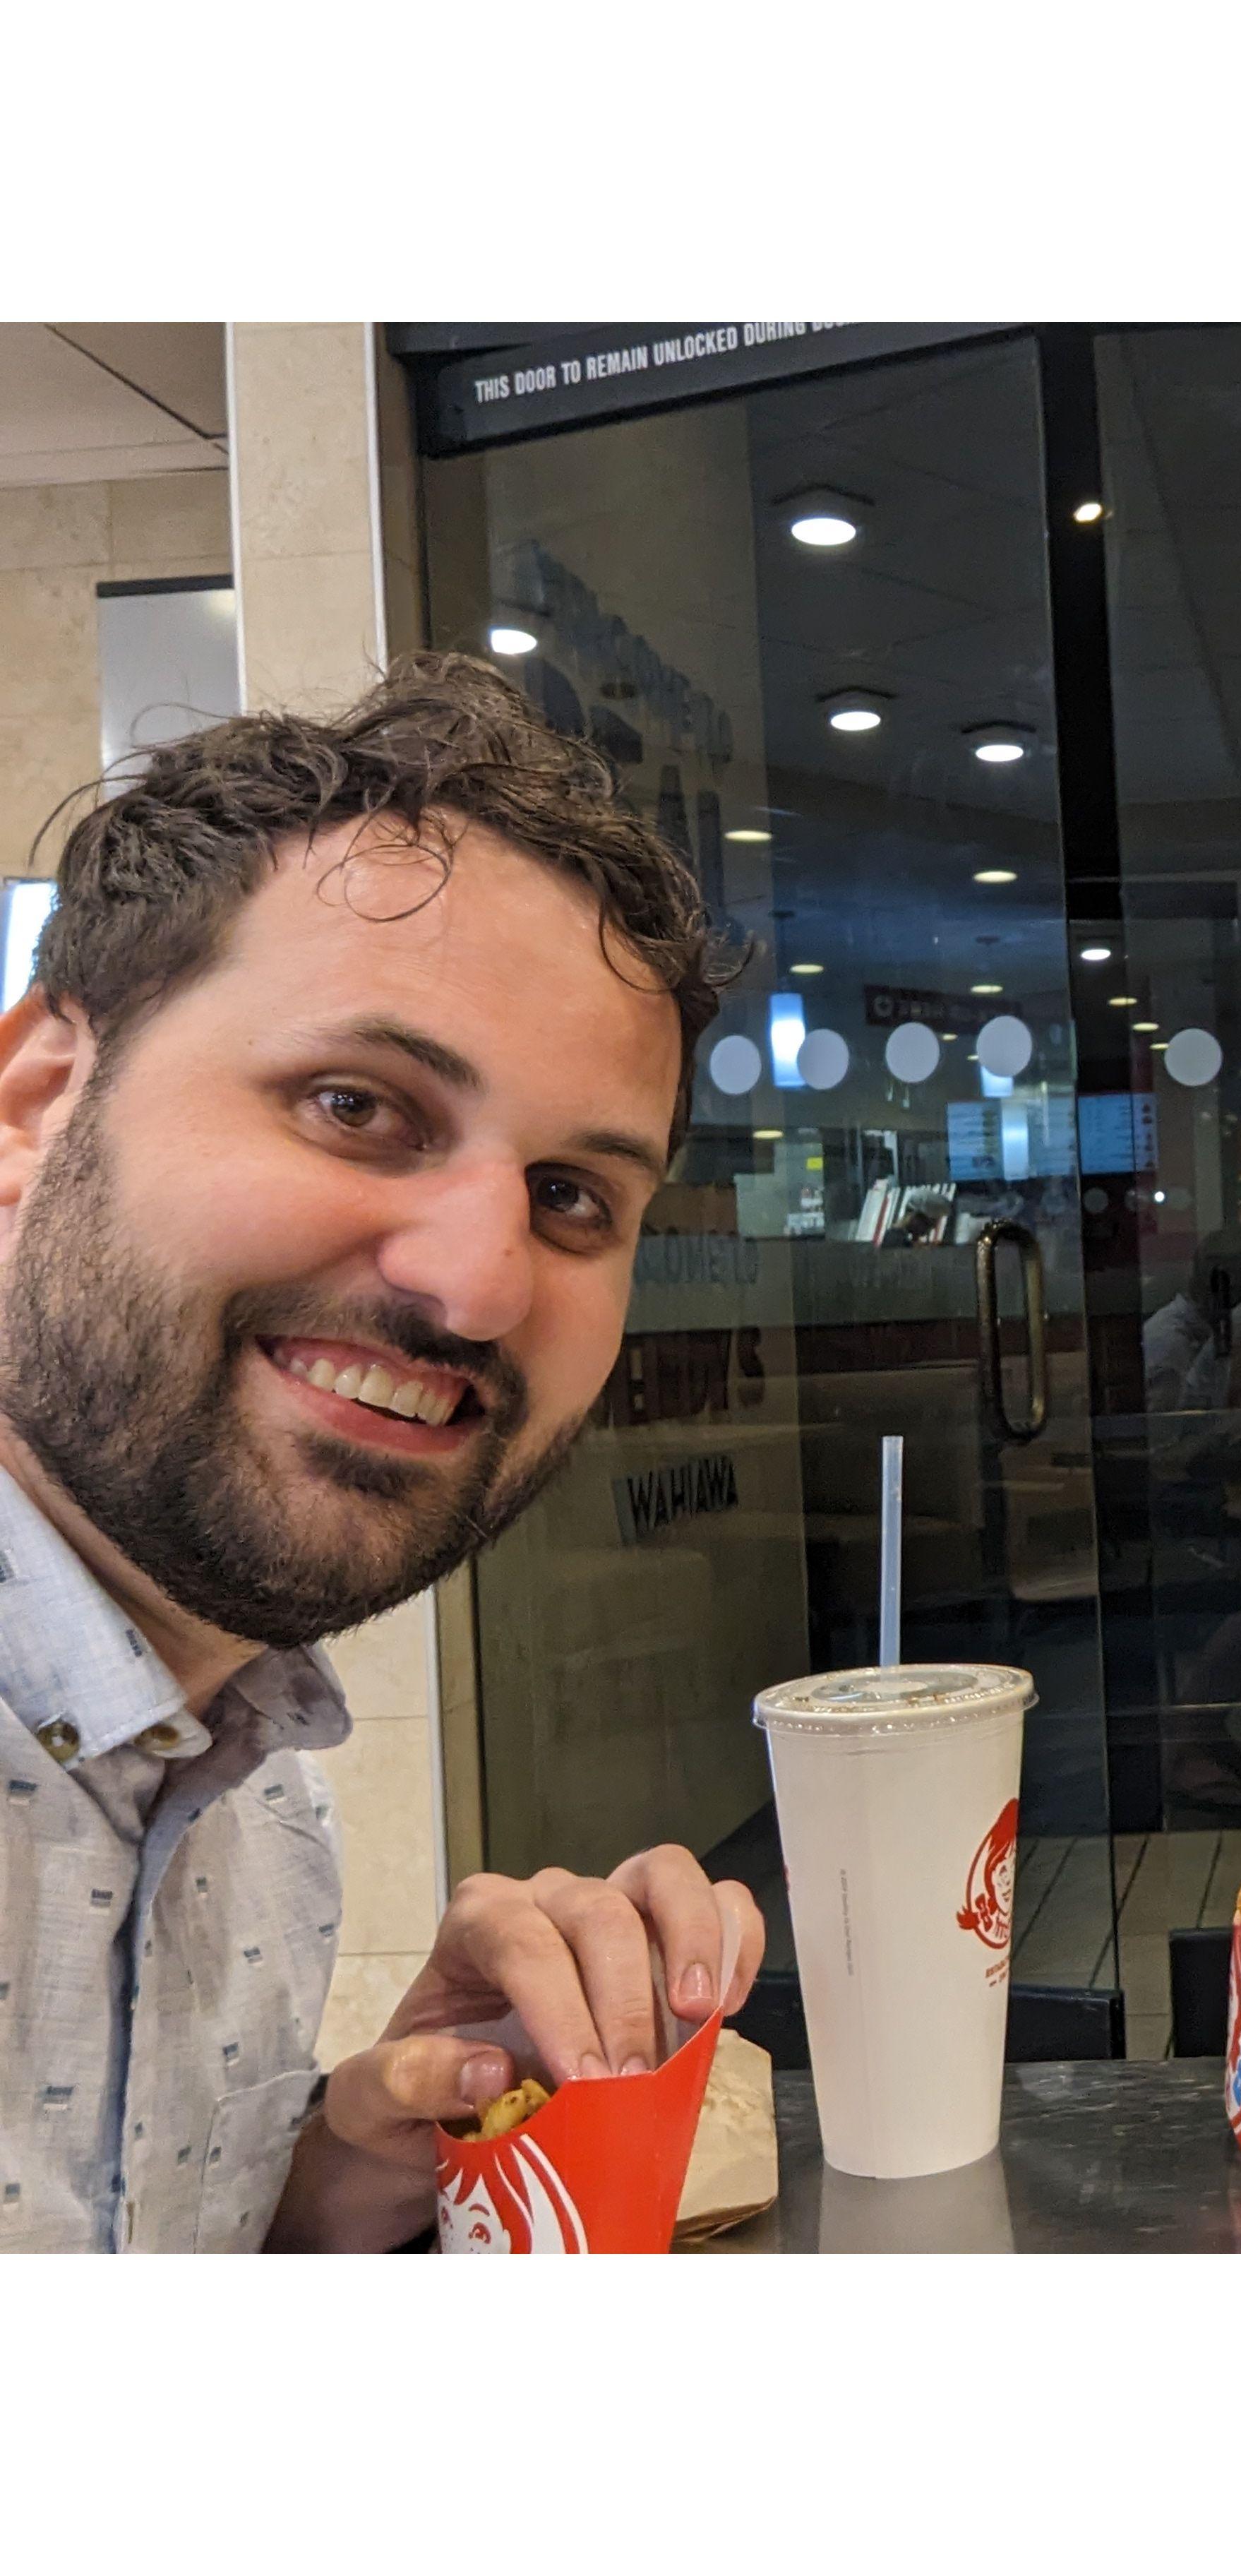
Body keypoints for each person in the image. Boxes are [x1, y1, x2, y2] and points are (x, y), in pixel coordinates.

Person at [0, 655, 765, 2252]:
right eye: (358, 1105)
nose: (479, 1283)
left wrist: (346, 2169)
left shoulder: (253, 1800)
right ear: (37, 1103)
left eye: (572, 1197)